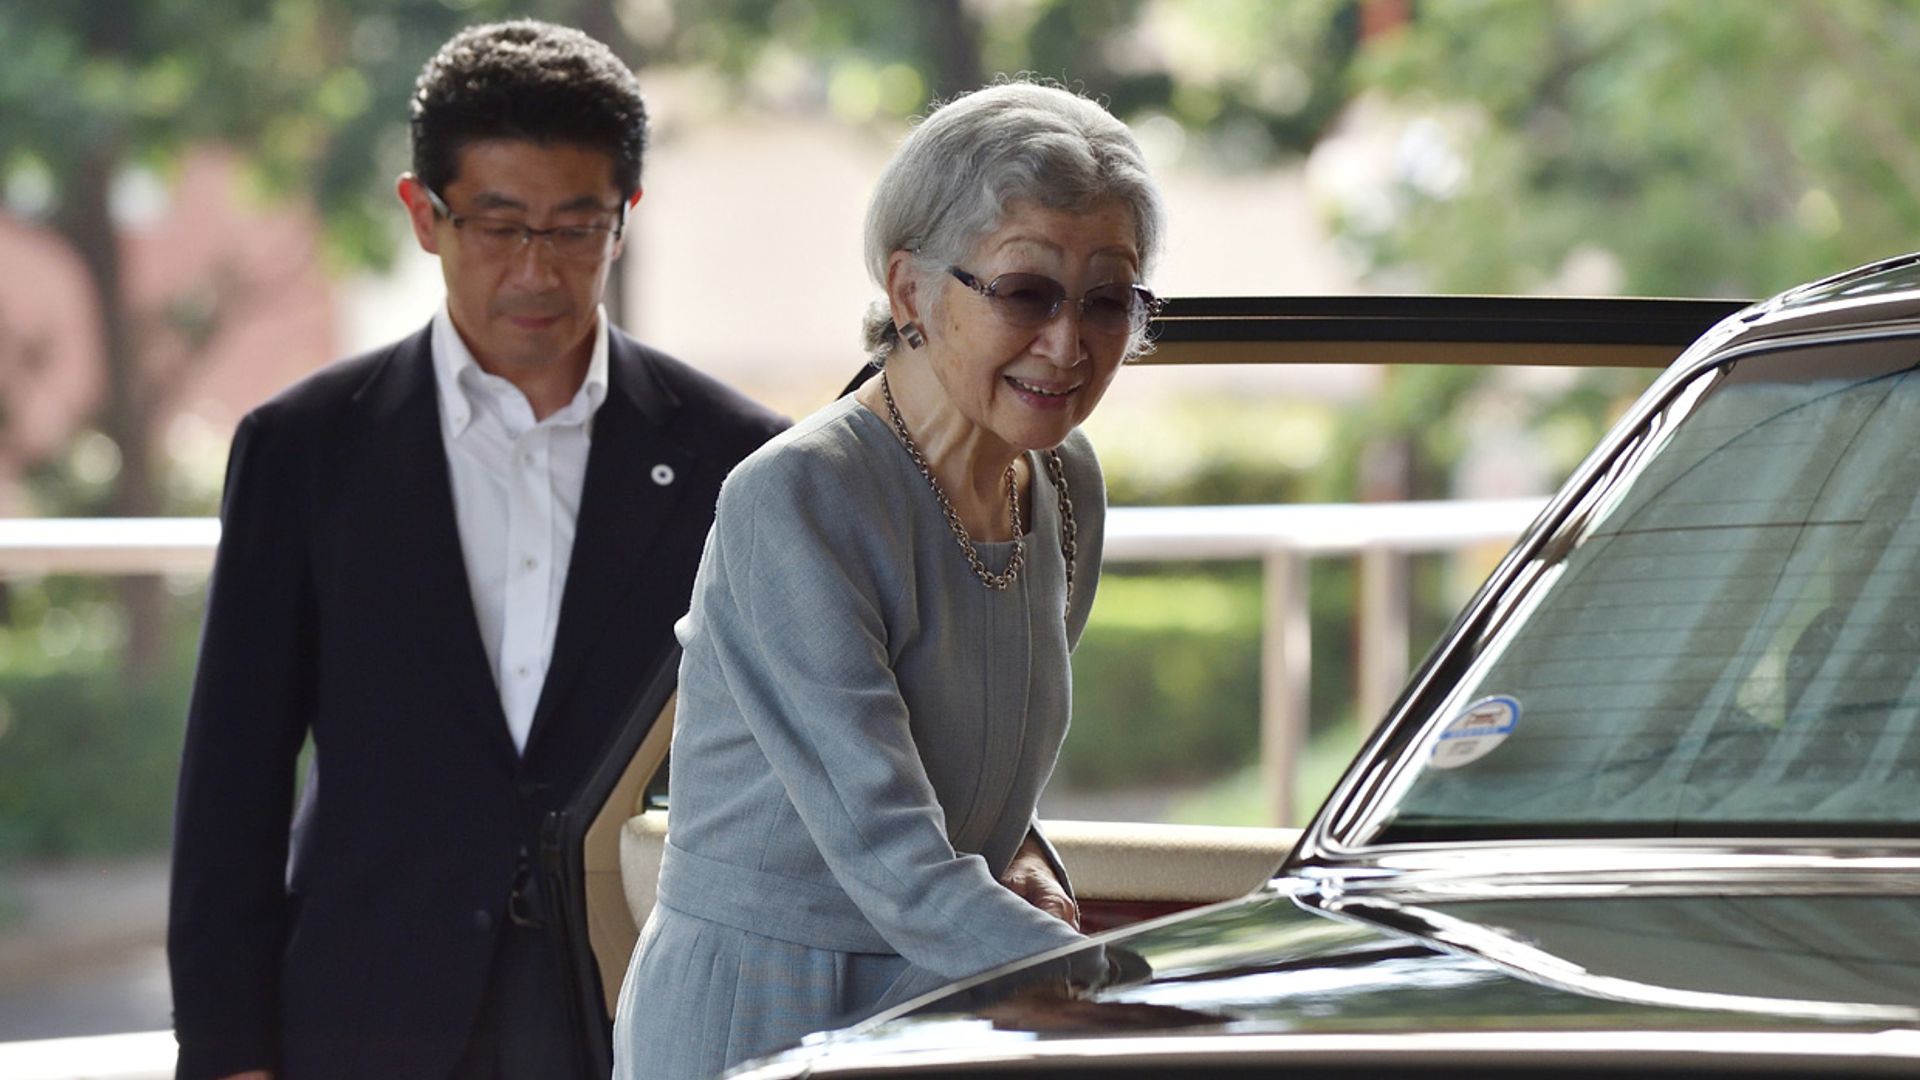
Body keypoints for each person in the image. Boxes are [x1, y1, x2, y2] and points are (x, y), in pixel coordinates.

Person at [166, 20, 786, 1080]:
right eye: (499, 225)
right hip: (368, 1001)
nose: (537, 269)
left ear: (624, 220)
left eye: (575, 226)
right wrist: (228, 1051)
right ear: (424, 215)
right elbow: (234, 777)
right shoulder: (305, 448)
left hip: (634, 994)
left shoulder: (739, 460)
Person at [612, 80, 1166, 1080]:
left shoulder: (1065, 483)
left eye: (1107, 301)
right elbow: (888, 851)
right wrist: (1143, 991)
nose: (1070, 343)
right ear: (910, 292)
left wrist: (1021, 847)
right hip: (768, 1013)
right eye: (1027, 292)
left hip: (952, 996)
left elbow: (965, 744)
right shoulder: (797, 499)